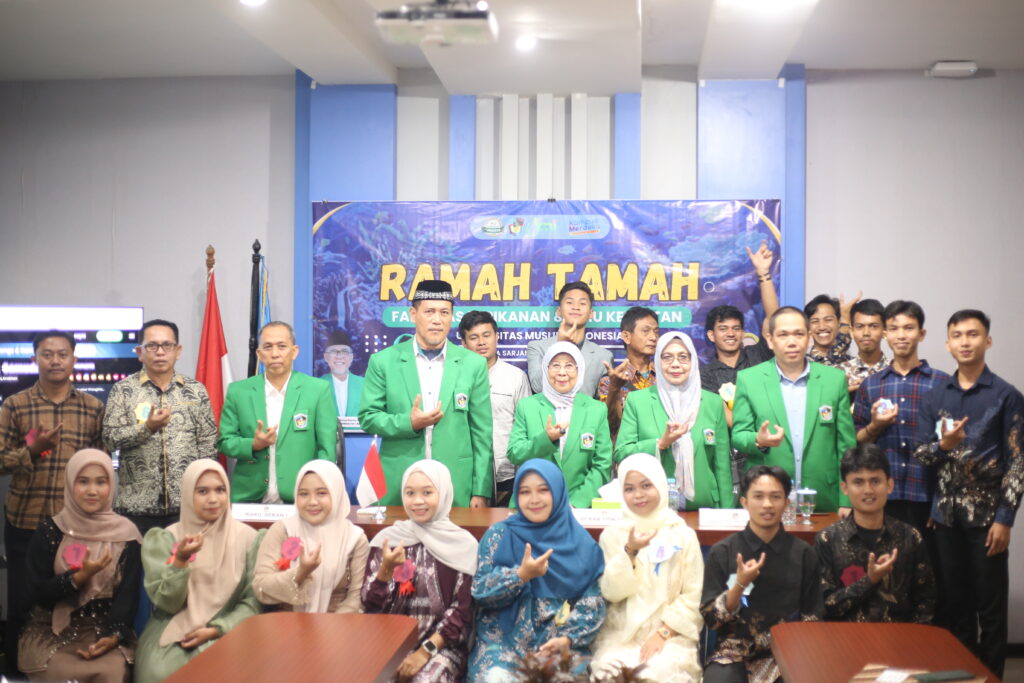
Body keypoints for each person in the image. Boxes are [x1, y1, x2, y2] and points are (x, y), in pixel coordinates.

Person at [913, 309, 1024, 678]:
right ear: (947, 344)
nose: (965, 342)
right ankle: (961, 676)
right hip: (945, 520)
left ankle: (991, 677)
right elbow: (922, 454)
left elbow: (1017, 464)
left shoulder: (1007, 396)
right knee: (956, 607)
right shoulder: (934, 396)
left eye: (973, 334)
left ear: (987, 341)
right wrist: (944, 445)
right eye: (957, 335)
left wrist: (1005, 520)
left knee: (990, 611)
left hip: (988, 520)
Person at [0, 330, 105, 674]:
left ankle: (63, 671)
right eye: (47, 354)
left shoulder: (92, 408)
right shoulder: (15, 405)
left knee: (72, 603)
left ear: (74, 359)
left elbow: (101, 466)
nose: (55, 361)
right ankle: (16, 674)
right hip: (26, 521)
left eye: (62, 354)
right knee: (22, 603)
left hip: (75, 525)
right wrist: (31, 451)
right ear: (35, 359)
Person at [358, 280, 493, 508]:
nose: (437, 320)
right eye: (429, 311)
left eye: (444, 312)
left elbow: (482, 434)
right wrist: (408, 423)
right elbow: (368, 417)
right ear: (413, 314)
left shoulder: (473, 364)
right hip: (399, 482)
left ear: (452, 316)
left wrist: (481, 490)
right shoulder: (383, 361)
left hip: (455, 484)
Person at [468, 459, 606, 680]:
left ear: (558, 492)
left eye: (543, 490)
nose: (534, 500)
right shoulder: (499, 535)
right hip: (502, 644)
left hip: (558, 644)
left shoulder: (582, 545)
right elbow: (480, 594)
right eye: (525, 492)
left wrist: (566, 639)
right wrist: (520, 575)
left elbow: (593, 604)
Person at [134, 460, 265, 683]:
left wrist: (217, 629)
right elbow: (168, 603)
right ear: (187, 494)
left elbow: (252, 602)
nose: (213, 499)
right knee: (159, 672)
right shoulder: (166, 538)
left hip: (232, 629)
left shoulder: (249, 538)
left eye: (220, 490)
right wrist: (181, 561)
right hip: (173, 630)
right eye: (202, 491)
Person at [18, 449, 143, 683]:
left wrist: (114, 636)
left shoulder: (127, 535)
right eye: (83, 482)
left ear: (111, 485)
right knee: (60, 673)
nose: (92, 491)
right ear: (69, 483)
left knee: (112, 674)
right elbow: (37, 594)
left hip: (104, 631)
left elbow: (128, 596)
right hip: (52, 631)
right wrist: (77, 578)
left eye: (101, 482)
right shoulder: (50, 532)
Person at [701, 465, 823, 683]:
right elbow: (711, 620)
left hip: (787, 651)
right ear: (744, 502)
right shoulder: (723, 552)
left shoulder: (804, 554)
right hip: (733, 654)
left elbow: (812, 618)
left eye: (775, 497)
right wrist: (739, 585)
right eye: (758, 496)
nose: (767, 504)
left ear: (786, 503)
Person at [592, 453, 704, 682]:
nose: (638, 495)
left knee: (655, 674)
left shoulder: (682, 535)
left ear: (660, 485)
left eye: (646, 485)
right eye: (629, 489)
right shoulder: (612, 535)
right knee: (610, 673)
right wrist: (630, 551)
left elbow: (694, 595)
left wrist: (664, 633)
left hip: (671, 636)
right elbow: (612, 593)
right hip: (621, 635)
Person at [731, 307, 856, 513]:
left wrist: (846, 500)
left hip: (824, 496)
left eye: (799, 334)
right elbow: (738, 435)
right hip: (768, 500)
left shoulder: (834, 380)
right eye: (783, 335)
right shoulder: (749, 379)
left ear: (809, 337)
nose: (792, 342)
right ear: (770, 340)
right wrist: (758, 440)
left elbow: (846, 446)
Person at [362, 460, 478, 682]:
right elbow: (370, 605)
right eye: (410, 493)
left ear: (443, 493)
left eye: (427, 492)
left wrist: (425, 652)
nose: (417, 501)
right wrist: (385, 570)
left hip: (442, 647)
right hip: (388, 645)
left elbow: (462, 612)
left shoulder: (463, 545)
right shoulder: (389, 540)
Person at [103, 319, 217, 533]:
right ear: (140, 352)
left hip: (187, 506)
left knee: (186, 556)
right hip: (136, 508)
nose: (160, 352)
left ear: (178, 351)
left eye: (167, 345)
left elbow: (208, 445)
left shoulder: (195, 391)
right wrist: (147, 428)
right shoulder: (123, 390)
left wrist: (204, 493)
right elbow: (110, 439)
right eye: (152, 346)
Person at [853, 301, 949, 538]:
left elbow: (952, 448)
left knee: (929, 562)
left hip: (927, 495)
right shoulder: (871, 385)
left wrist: (941, 501)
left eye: (909, 328)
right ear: (885, 334)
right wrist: (875, 426)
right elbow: (856, 442)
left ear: (921, 334)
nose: (901, 335)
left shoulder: (942, 383)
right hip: (882, 496)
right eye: (894, 329)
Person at [218, 321, 337, 503]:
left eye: (282, 346)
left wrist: (317, 490)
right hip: (250, 499)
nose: (274, 354)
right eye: (268, 347)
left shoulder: (318, 390)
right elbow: (225, 442)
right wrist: (253, 444)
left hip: (301, 498)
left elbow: (326, 450)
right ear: (259, 354)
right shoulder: (238, 392)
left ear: (294, 351)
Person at [815, 445, 935, 624]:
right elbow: (825, 606)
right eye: (858, 482)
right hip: (844, 637)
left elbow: (925, 603)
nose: (868, 490)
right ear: (844, 488)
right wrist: (870, 580)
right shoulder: (828, 539)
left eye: (875, 481)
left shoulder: (910, 537)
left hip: (899, 637)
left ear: (890, 485)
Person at [615, 332, 732, 510]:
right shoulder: (638, 401)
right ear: (657, 362)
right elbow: (622, 453)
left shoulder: (712, 403)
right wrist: (660, 444)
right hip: (653, 508)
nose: (675, 364)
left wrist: (727, 514)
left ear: (693, 362)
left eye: (683, 357)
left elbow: (722, 467)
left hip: (704, 506)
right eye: (667, 357)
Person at [506, 341, 612, 508]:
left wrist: (577, 504)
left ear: (579, 370)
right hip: (532, 505)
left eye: (569, 366)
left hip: (579, 509)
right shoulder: (527, 406)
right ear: (545, 369)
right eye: (555, 365)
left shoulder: (596, 409)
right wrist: (546, 439)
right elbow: (515, 453)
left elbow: (602, 464)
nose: (562, 372)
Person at [253, 460, 368, 613]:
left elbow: (356, 599)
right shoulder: (283, 530)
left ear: (336, 493)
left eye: (321, 493)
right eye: (303, 494)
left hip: (337, 623)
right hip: (286, 622)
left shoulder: (355, 539)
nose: (312, 502)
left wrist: (332, 626)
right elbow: (261, 587)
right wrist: (301, 572)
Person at [700, 240, 781, 425]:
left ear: (743, 333)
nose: (731, 334)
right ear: (711, 335)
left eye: (736, 328)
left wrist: (763, 272)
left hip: (771, 436)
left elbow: (773, 319)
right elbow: (720, 416)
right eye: (723, 329)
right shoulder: (705, 374)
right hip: (733, 441)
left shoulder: (758, 355)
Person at [458, 310, 531, 505]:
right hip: (466, 474)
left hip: (507, 474)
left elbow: (526, 428)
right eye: (474, 337)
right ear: (463, 343)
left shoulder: (516, 377)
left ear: (497, 337)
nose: (481, 342)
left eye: (486, 335)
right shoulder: (456, 378)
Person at [526, 281, 612, 398]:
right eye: (569, 302)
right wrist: (561, 346)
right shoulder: (537, 347)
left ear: (591, 313)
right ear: (559, 311)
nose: (576, 307)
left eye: (582, 303)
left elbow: (602, 403)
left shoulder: (604, 356)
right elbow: (537, 386)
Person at [598, 306, 660, 442]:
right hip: (625, 452)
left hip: (661, 450)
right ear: (626, 336)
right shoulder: (609, 381)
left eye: (656, 332)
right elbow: (607, 427)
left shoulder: (665, 377)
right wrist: (614, 388)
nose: (653, 337)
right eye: (645, 331)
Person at [840, 299, 889, 395]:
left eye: (873, 326)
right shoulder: (839, 373)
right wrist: (843, 395)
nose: (866, 333)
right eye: (860, 326)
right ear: (851, 332)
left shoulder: (895, 371)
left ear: (884, 331)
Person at [804, 292, 859, 367]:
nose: (822, 327)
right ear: (808, 327)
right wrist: (845, 323)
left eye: (828, 320)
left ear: (839, 323)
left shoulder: (854, 365)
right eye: (815, 321)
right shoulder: (803, 364)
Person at [319, 329, 365, 417]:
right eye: (333, 351)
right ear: (325, 357)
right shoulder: (317, 386)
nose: (339, 357)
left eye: (344, 351)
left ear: (351, 357)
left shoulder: (365, 385)